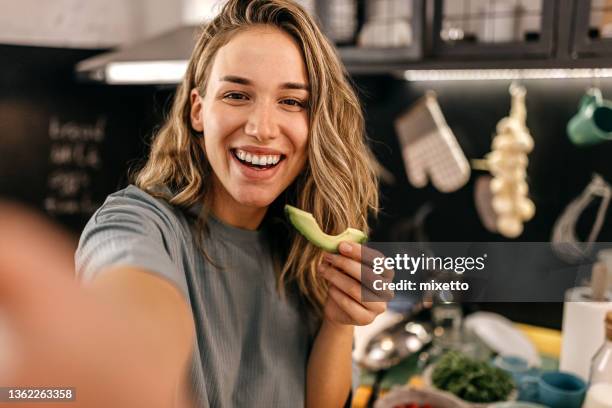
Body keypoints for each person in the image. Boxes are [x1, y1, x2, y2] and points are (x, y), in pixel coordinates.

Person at [1, 1, 389, 407]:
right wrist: (122, 351)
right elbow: (137, 304)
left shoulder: (304, 247)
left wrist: (339, 322)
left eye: (291, 102)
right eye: (237, 95)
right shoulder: (138, 222)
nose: (261, 128)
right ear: (199, 110)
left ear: (317, 123)